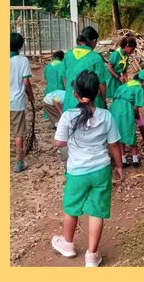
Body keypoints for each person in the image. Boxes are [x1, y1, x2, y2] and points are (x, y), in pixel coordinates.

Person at [51, 70, 123, 267]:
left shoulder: (68, 116)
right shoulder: (106, 116)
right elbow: (114, 144)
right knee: (97, 211)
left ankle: (67, 244)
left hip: (77, 171)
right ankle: (92, 255)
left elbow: (59, 143)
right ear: (97, 92)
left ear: (75, 94)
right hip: (101, 169)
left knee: (71, 208)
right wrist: (119, 166)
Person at [108, 68, 144, 168]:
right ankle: (135, 159)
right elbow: (136, 107)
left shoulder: (127, 84)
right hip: (125, 108)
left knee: (119, 134)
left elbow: (115, 96)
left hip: (114, 108)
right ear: (143, 81)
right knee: (130, 133)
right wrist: (138, 119)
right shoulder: (139, 88)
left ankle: (123, 160)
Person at [61, 27, 111, 111]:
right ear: (94, 41)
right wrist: (103, 101)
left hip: (70, 102)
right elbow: (102, 84)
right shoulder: (96, 58)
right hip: (91, 104)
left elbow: (65, 78)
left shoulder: (67, 56)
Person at [10, 33, 35, 173]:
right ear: (21, 46)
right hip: (15, 102)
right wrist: (31, 96)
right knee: (18, 133)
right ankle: (19, 162)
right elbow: (26, 82)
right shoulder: (22, 60)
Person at [105, 36, 136, 101]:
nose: (132, 51)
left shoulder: (126, 56)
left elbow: (124, 70)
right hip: (110, 76)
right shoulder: (116, 54)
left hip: (117, 77)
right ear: (127, 46)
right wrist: (118, 77)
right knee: (110, 95)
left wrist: (126, 83)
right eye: (132, 49)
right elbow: (109, 67)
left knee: (118, 94)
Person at [43, 50, 66, 127]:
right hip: (59, 87)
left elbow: (45, 78)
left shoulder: (47, 66)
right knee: (60, 106)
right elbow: (65, 78)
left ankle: (53, 122)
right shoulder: (63, 65)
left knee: (49, 105)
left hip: (49, 88)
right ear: (62, 57)